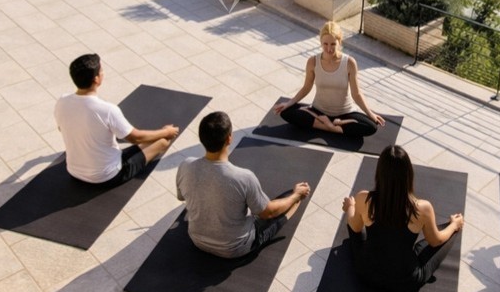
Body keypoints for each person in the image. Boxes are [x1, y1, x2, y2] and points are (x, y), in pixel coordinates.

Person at [175, 111, 311, 258]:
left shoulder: (185, 165)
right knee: (289, 201)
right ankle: (296, 198)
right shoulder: (243, 177)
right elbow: (267, 213)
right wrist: (296, 195)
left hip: (197, 240)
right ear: (229, 138)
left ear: (201, 138)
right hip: (235, 248)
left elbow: (181, 197)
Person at [343, 145, 463, 292]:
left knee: (356, 233)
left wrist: (350, 207)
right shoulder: (422, 208)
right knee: (444, 235)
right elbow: (435, 240)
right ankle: (453, 227)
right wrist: (453, 225)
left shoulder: (363, 198)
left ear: (379, 173)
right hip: (404, 282)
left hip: (367, 274)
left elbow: (354, 227)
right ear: (408, 175)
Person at [54, 53, 180, 186]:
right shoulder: (107, 110)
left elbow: (62, 128)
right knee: (162, 142)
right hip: (107, 176)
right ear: (96, 79)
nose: (103, 73)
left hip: (74, 171)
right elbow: (135, 138)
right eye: (101, 70)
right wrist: (166, 132)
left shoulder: (62, 101)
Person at [273, 20, 383, 137]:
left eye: (333, 44)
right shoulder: (313, 62)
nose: (329, 49)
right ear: (320, 42)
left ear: (339, 42)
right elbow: (306, 87)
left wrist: (371, 114)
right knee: (286, 112)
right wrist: (289, 103)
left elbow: (356, 94)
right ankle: (332, 127)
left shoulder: (349, 63)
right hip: (318, 111)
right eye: (325, 44)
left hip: (344, 113)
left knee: (371, 127)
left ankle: (329, 125)